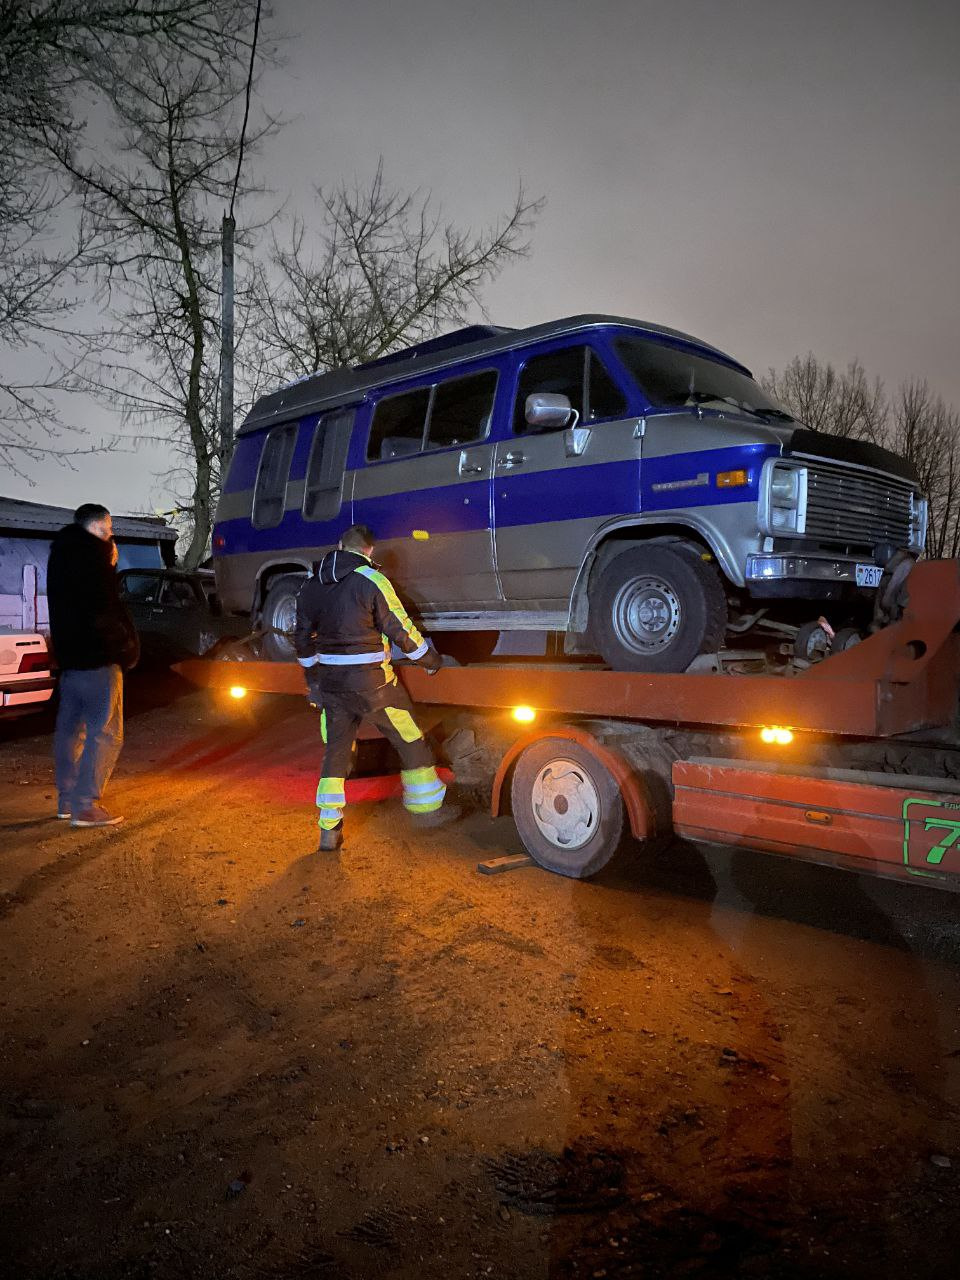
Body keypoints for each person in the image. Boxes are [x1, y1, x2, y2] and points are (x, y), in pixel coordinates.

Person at [294, 523, 459, 852]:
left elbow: (300, 640)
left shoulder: (311, 586)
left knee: (336, 753)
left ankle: (329, 828)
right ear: (369, 550)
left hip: (332, 687)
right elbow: (399, 628)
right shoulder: (372, 580)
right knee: (410, 736)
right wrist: (430, 661)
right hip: (374, 685)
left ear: (341, 545)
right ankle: (427, 810)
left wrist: (313, 678)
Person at [47, 503, 140, 827]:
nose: (111, 536)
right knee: (106, 734)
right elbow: (105, 611)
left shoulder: (61, 555)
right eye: (108, 529)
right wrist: (125, 650)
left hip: (71, 663)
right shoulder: (93, 560)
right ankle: (85, 806)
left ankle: (67, 800)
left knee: (70, 731)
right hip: (98, 661)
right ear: (95, 528)